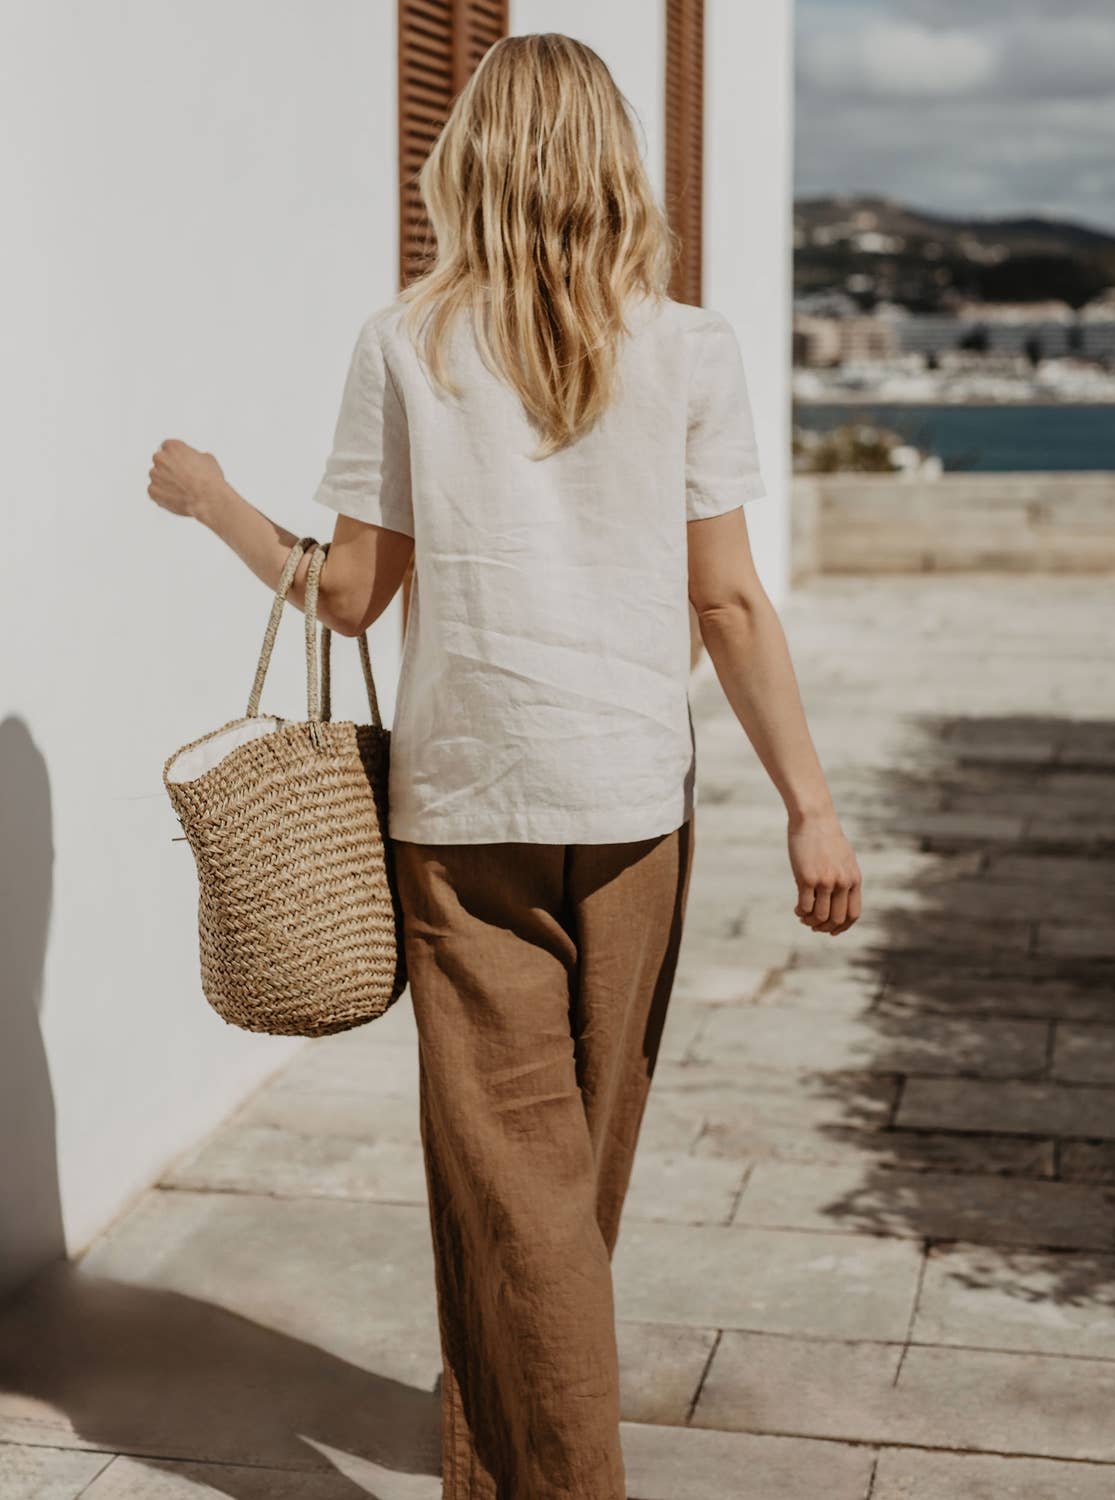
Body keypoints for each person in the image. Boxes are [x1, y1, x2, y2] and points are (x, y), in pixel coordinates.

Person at [146, 31, 861, 1500]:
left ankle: (553, 1479)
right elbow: (727, 603)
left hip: (464, 815)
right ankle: (507, 1470)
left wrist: (215, 502)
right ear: (614, 163)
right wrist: (810, 804)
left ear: (468, 158)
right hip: (633, 813)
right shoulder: (688, 347)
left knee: (517, 1189)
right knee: (561, 1184)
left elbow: (347, 596)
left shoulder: (406, 342)